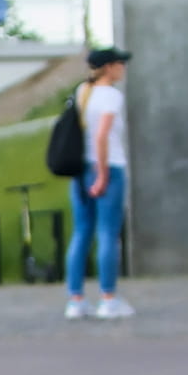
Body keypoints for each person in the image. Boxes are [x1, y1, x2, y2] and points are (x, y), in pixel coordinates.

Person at [64, 47, 133, 320]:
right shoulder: (111, 96)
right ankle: (108, 299)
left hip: (81, 170)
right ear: (109, 67)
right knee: (107, 233)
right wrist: (103, 174)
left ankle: (76, 300)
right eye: (120, 63)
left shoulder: (83, 91)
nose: (123, 68)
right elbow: (102, 136)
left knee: (81, 232)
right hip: (108, 168)